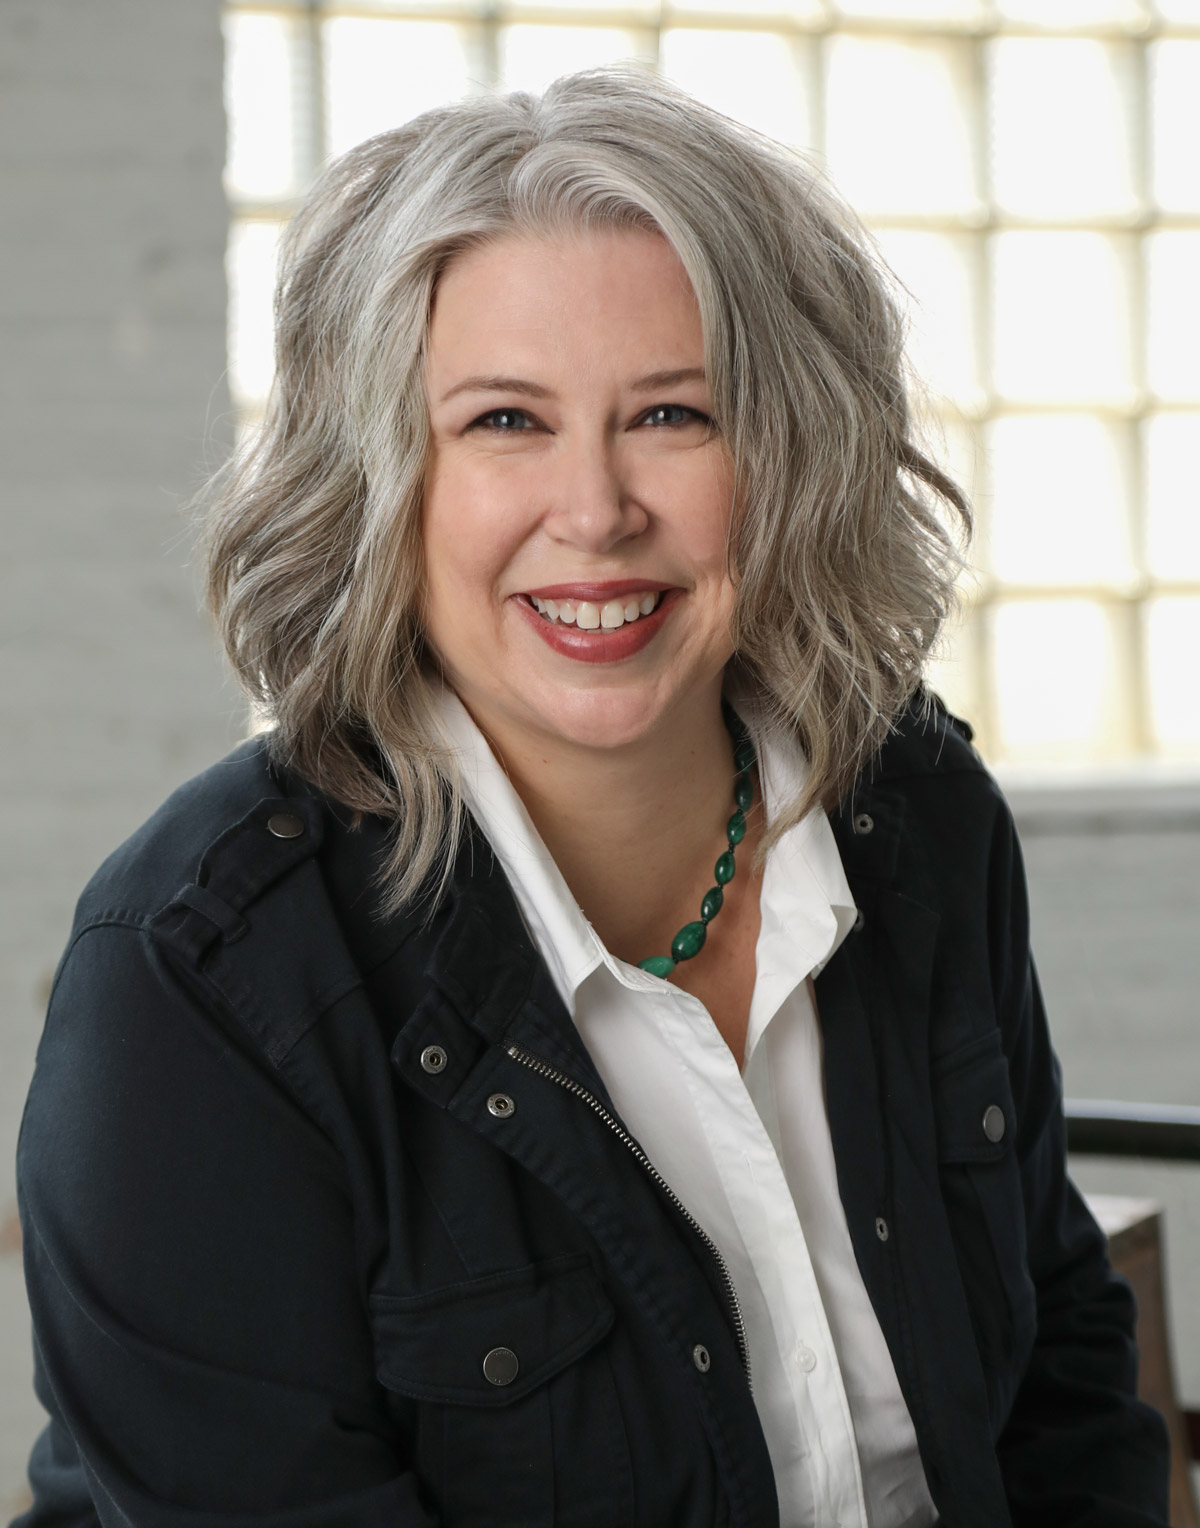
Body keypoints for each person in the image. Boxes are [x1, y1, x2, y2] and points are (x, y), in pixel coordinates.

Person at [13, 67, 1168, 1528]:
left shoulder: (915, 811)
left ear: (788, 454)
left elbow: (1061, 1377)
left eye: (674, 414)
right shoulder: (199, 979)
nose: (598, 510)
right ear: (383, 482)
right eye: (504, 422)